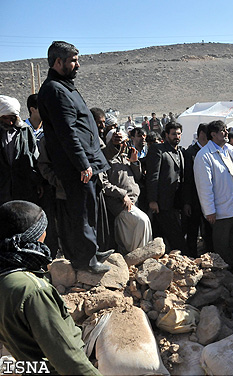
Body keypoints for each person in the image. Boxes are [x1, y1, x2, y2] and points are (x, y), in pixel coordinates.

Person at [0, 200, 101, 375]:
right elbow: (69, 361)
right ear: (34, 236)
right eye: (43, 229)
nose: (46, 234)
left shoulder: (6, 276)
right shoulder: (33, 291)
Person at [37, 41, 112, 274]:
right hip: (75, 165)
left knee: (89, 210)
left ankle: (93, 251)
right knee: (80, 213)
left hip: (86, 162)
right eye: (73, 60)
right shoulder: (54, 90)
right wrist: (82, 164)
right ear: (58, 62)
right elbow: (66, 132)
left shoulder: (65, 86)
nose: (77, 65)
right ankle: (86, 261)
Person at [193, 120, 233, 267]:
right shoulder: (204, 156)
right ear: (213, 135)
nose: (226, 133)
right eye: (222, 131)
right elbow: (204, 186)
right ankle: (224, 270)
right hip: (221, 207)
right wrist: (209, 210)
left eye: (226, 130)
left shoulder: (228, 149)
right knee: (222, 240)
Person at [104, 129, 152, 253]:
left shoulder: (125, 158)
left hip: (133, 201)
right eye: (121, 143)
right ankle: (137, 256)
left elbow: (137, 177)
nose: (125, 145)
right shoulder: (106, 161)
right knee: (142, 221)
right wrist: (122, 194)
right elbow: (105, 184)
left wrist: (134, 162)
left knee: (137, 231)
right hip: (120, 204)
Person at [146, 122, 188, 254]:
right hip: (162, 203)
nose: (177, 136)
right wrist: (152, 200)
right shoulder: (158, 149)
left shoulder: (180, 152)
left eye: (179, 134)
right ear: (166, 135)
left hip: (176, 203)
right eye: (174, 134)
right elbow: (153, 176)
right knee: (176, 239)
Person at [0, 95, 42, 206]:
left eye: (12, 118)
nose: (10, 122)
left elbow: (35, 157)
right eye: (6, 118)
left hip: (22, 189)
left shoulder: (25, 131)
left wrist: (39, 182)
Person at [182, 123, 213, 257]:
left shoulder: (210, 152)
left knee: (209, 229)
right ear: (201, 134)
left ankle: (210, 255)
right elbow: (187, 180)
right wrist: (187, 202)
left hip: (207, 198)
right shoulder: (190, 153)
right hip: (194, 200)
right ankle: (192, 256)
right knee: (193, 230)